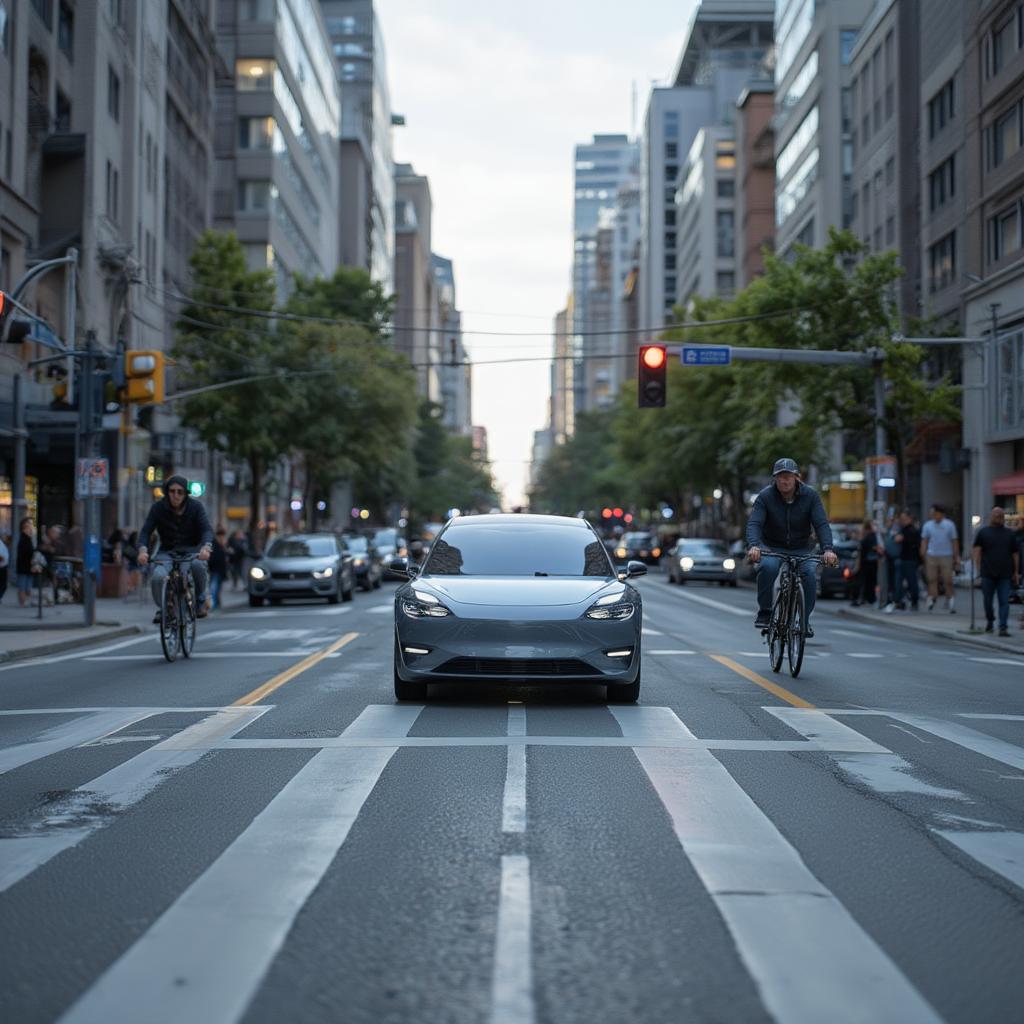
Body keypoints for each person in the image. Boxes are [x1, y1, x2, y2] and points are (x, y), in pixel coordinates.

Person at [746, 458, 839, 638]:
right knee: (768, 567)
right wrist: (754, 546)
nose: (784, 481)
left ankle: (804, 621)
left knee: (810, 576)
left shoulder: (810, 495)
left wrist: (828, 549)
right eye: (780, 477)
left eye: (788, 476)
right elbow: (755, 523)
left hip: (802, 548)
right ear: (775, 479)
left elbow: (821, 524)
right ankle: (765, 611)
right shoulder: (765, 496)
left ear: (797, 477)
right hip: (772, 547)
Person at [136, 475, 213, 621]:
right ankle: (164, 608)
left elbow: (206, 530)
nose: (175, 495)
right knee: (158, 577)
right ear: (167, 492)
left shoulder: (196, 507)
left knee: (198, 566)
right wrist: (143, 550)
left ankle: (200, 600)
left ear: (186, 494)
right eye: (172, 491)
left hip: (191, 551)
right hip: (167, 552)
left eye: (180, 492)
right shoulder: (158, 508)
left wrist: (206, 548)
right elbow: (146, 532)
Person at [972, 506, 1020, 637]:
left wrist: (1016, 572)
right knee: (987, 600)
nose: (998, 517)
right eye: (996, 514)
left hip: (1005, 573)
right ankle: (990, 621)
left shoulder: (1010, 534)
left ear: (1003, 518)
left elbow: (1015, 554)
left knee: (1004, 601)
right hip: (987, 573)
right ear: (991, 516)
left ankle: (1003, 627)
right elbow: (977, 551)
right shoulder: (983, 532)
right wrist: (977, 570)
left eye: (1000, 515)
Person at [921, 504, 960, 613]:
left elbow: (954, 541)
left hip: (946, 555)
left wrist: (956, 557)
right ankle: (932, 597)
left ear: (941, 514)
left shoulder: (949, 525)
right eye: (933, 513)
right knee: (932, 578)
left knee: (948, 579)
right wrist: (923, 552)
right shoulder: (928, 525)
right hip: (932, 555)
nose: (934, 515)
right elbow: (925, 540)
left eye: (936, 513)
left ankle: (950, 599)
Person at [885, 509, 921, 612]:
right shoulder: (901, 529)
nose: (902, 521)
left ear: (909, 519)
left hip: (910, 559)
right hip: (901, 559)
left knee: (911, 581)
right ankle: (898, 601)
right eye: (901, 519)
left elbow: (913, 543)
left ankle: (914, 601)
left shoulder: (912, 530)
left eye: (904, 519)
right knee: (898, 582)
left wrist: (902, 538)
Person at [853, 519, 883, 607]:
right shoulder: (869, 535)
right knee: (868, 581)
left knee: (868, 581)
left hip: (869, 562)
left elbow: (871, 547)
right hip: (868, 562)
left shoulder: (870, 535)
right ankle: (866, 598)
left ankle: (866, 598)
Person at [16, 517, 37, 607]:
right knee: (22, 586)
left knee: (28, 586)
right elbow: (26, 552)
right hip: (23, 565)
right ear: (25, 527)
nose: (31, 527)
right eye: (29, 525)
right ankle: (22, 603)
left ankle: (27, 602)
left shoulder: (30, 538)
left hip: (29, 565)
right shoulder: (22, 538)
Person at [209, 527, 229, 610]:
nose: (222, 537)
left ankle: (217, 602)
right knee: (214, 586)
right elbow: (214, 557)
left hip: (221, 569)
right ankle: (214, 603)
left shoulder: (222, 544)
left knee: (218, 586)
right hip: (215, 568)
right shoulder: (214, 544)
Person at [0, 533, 9, 604]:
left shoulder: (2, 543)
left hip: (3, 566)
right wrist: (2, 559)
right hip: (1, 567)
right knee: (3, 585)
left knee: (4, 585)